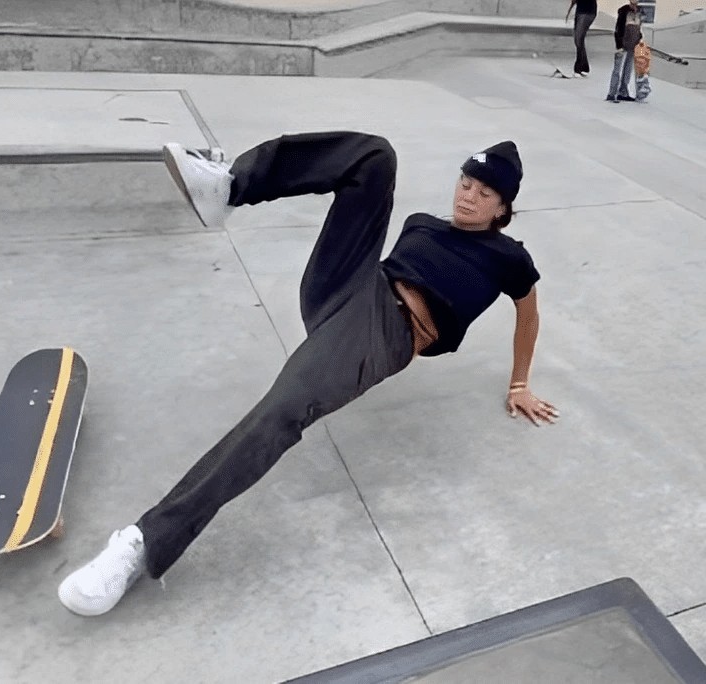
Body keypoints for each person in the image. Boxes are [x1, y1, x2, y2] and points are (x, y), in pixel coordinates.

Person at [58, 131, 559, 617]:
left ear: (503, 208)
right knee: (375, 157)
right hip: (349, 288)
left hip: (384, 335)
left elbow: (529, 316)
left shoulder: (510, 258)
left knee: (280, 412)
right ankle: (229, 186)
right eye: (465, 183)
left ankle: (144, 543)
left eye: (484, 193)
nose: (468, 196)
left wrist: (519, 383)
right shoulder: (421, 224)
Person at [606, 0, 644, 102]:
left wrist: (639, 38)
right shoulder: (624, 11)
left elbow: (638, 27)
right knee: (617, 68)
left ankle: (623, 92)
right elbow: (618, 28)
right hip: (622, 44)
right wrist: (619, 43)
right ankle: (612, 93)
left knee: (628, 68)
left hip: (633, 44)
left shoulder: (639, 11)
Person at [566, 0, 598, 76]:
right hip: (581, 11)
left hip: (588, 12)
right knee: (579, 39)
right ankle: (584, 67)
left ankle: (580, 68)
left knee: (578, 38)